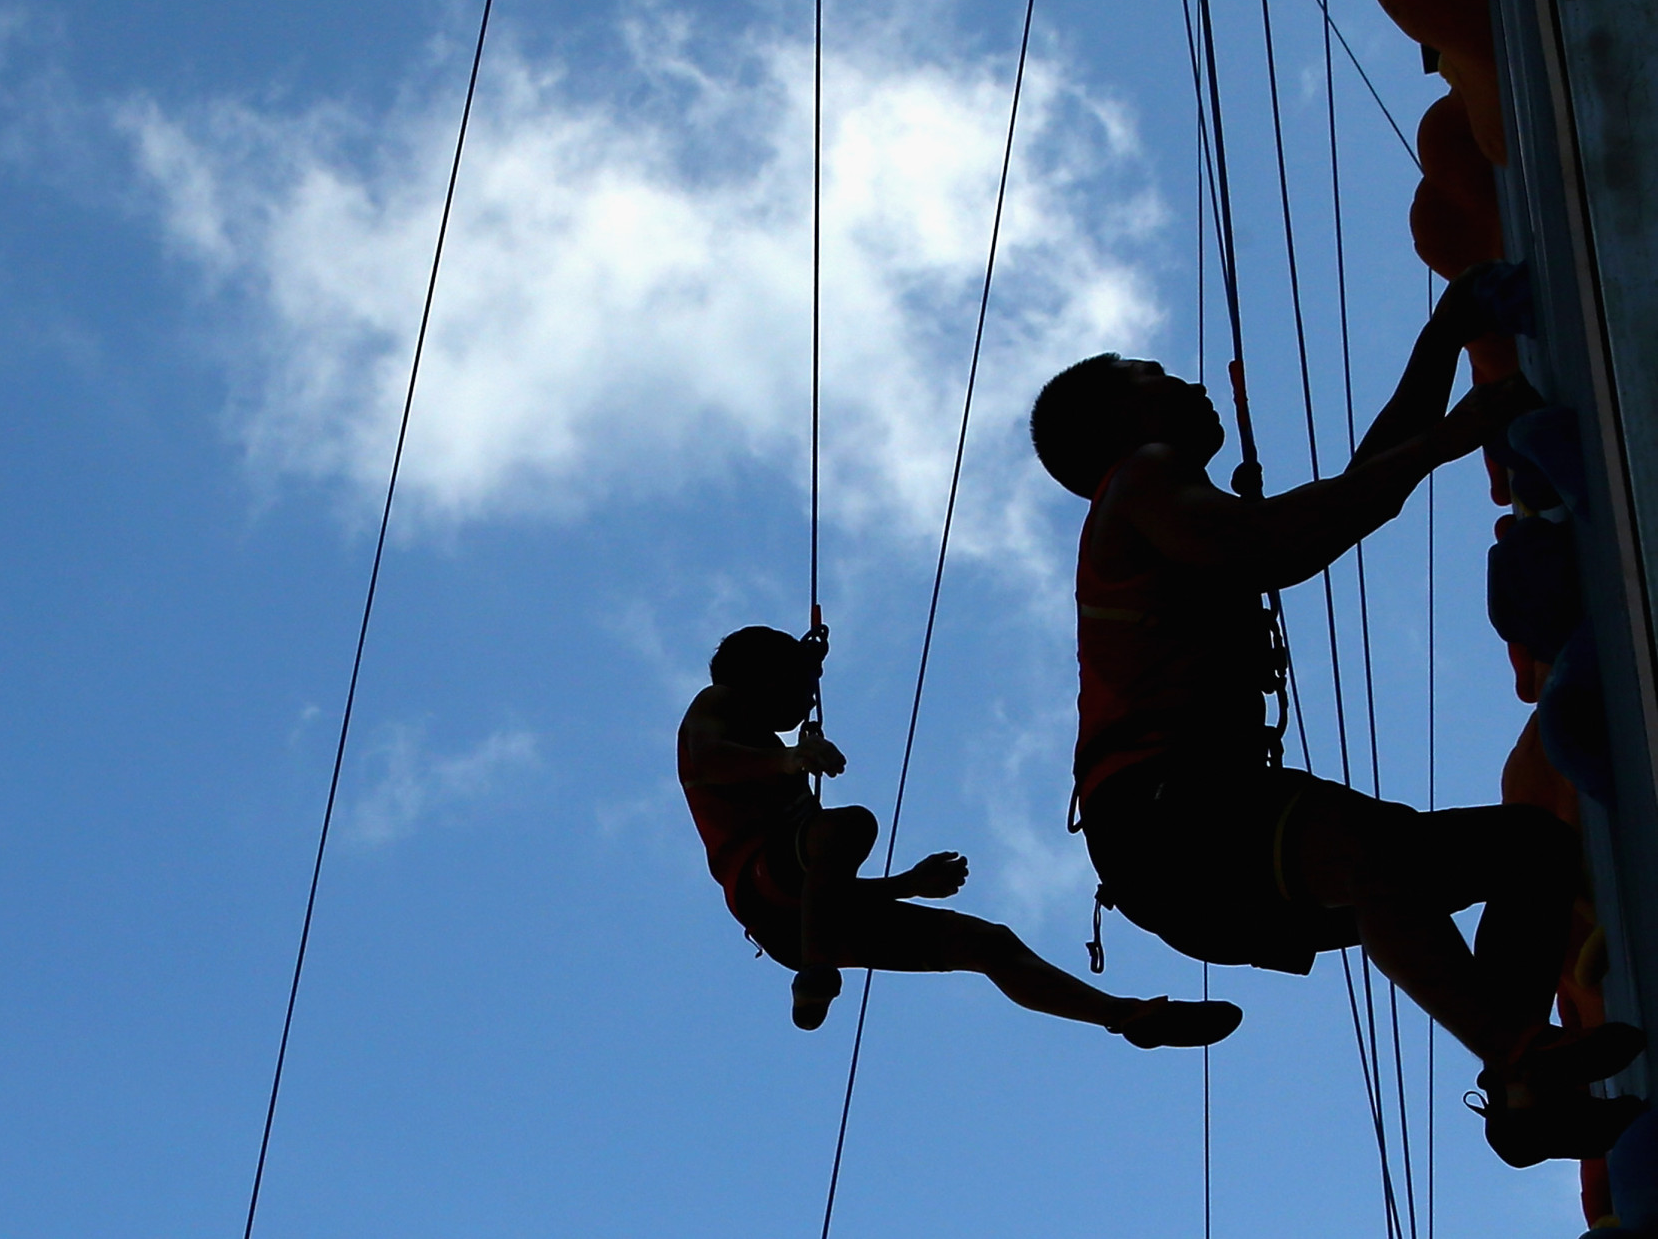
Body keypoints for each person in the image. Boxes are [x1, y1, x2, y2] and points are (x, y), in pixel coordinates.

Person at [1030, 266, 1645, 1168]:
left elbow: (1366, 482)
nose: (1189, 384)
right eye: (1154, 377)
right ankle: (1519, 1053)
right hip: (1167, 813)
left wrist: (1444, 336)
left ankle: (1527, 1095)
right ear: (1119, 425)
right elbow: (1282, 543)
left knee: (1529, 852)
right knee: (1372, 858)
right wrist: (1455, 435)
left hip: (1183, 845)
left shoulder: (1163, 504)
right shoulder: (1139, 482)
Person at [678, 623, 1243, 1049]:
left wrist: (908, 883)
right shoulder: (721, 704)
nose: (808, 700)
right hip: (767, 892)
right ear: (764, 675)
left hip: (795, 922)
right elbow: (705, 762)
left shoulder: (772, 761)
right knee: (850, 824)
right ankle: (818, 970)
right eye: (802, 685)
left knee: (988, 944)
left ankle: (1125, 1015)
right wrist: (789, 761)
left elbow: (824, 892)